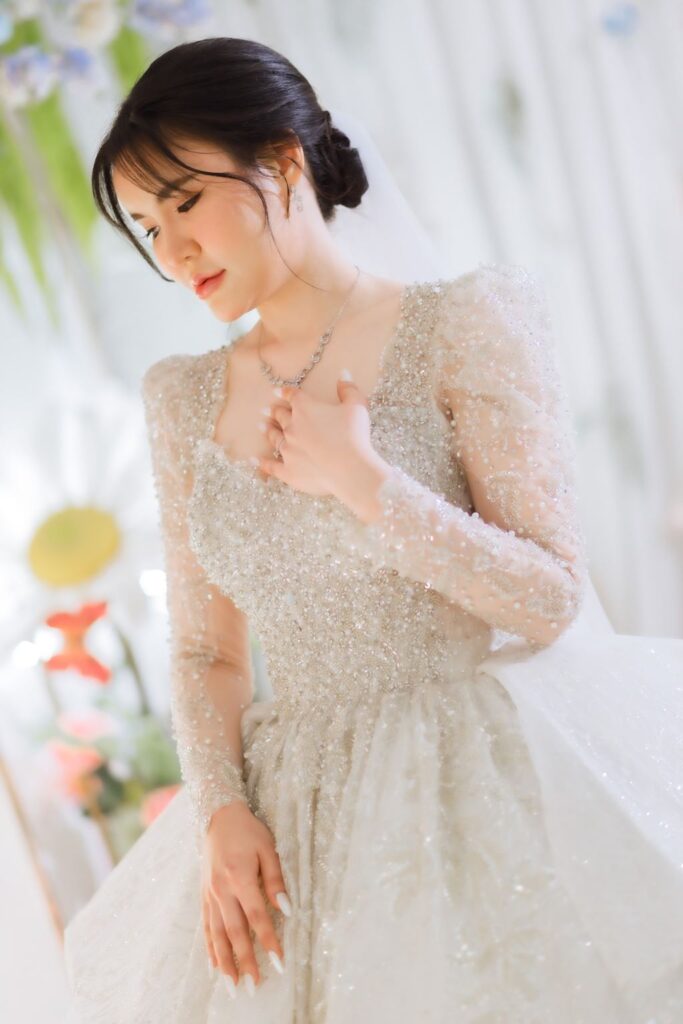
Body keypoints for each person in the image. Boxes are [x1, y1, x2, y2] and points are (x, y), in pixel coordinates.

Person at [63, 36, 683, 1023]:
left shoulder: (464, 322)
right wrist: (219, 811)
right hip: (286, 822)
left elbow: (551, 598)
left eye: (184, 202)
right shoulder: (180, 398)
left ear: (282, 161)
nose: (171, 252)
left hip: (471, 784)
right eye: (147, 226)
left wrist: (367, 486)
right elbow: (205, 652)